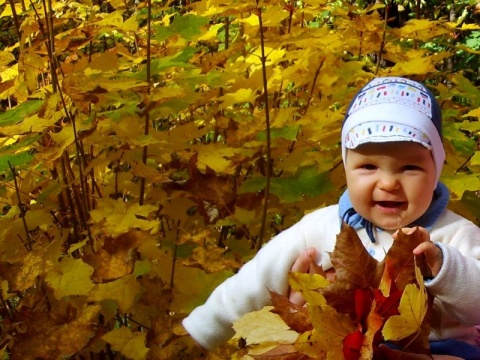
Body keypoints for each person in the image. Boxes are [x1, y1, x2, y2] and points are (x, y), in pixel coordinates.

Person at [182, 77, 480, 359]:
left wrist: (447, 269)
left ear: (436, 170)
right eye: (368, 167)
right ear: (346, 168)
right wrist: (203, 329)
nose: (388, 183)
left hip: (435, 350)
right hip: (339, 348)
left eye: (409, 168)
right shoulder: (320, 228)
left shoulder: (455, 234)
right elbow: (254, 280)